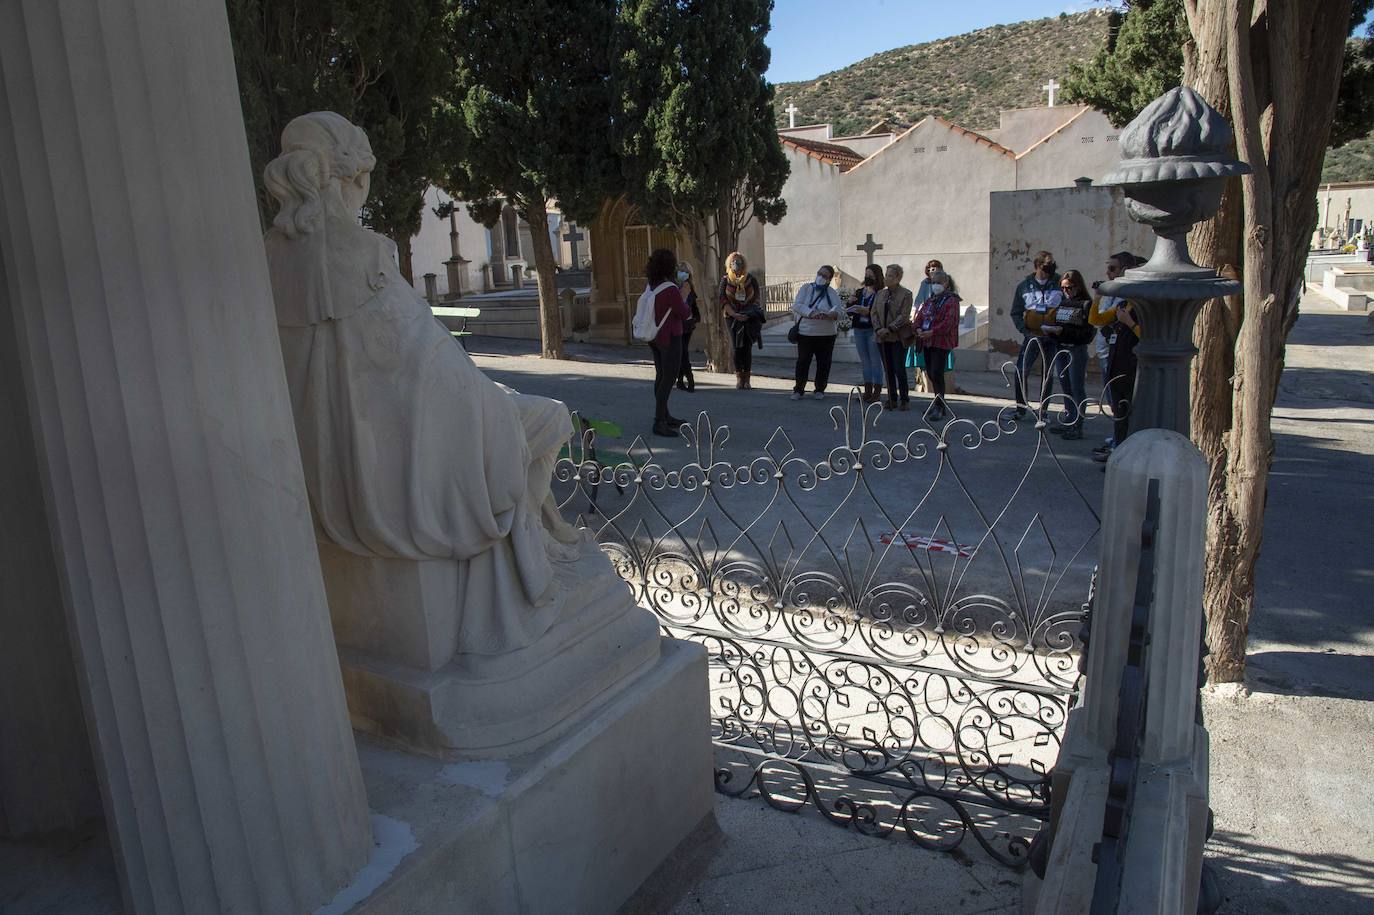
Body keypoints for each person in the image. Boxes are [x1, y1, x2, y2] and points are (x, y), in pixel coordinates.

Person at [1089, 251, 1139, 452]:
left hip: (1130, 364)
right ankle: (1118, 447)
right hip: (1114, 360)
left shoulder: (1140, 304)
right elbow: (1096, 320)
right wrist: (1097, 297)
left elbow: (1147, 335)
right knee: (1117, 408)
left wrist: (1130, 323)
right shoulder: (1122, 302)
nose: (1108, 272)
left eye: (1113, 268)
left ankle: (1123, 449)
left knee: (1126, 410)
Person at [644, 248, 692, 437]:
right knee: (668, 379)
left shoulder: (652, 285)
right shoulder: (671, 289)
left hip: (655, 337)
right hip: (671, 336)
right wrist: (685, 295)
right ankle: (659, 421)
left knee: (661, 376)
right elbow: (684, 313)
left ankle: (664, 415)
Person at [1042, 268, 1095, 439]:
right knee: (1065, 386)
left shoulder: (1086, 304)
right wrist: (1052, 331)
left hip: (1076, 349)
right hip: (1061, 348)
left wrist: (1062, 332)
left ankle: (1077, 425)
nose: (1066, 291)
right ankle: (1068, 420)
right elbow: (1061, 325)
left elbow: (1087, 333)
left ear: (1078, 286)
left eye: (1069, 288)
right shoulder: (1063, 303)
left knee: (1076, 387)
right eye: (1063, 288)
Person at [1009, 251, 1062, 418]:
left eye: (1053, 263)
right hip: (1032, 336)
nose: (1052, 266)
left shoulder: (1059, 282)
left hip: (1052, 337)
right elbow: (1016, 312)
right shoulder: (1024, 286)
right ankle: (1020, 408)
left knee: (1048, 374)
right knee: (1021, 371)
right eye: (1048, 263)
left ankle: (1043, 411)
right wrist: (1025, 331)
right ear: (1038, 265)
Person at [912, 268, 961, 421]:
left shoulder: (951, 300)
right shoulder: (930, 300)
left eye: (938, 283)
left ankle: (939, 406)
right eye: (933, 283)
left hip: (941, 342)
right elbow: (919, 317)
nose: (935, 285)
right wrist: (918, 328)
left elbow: (949, 322)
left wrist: (932, 332)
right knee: (931, 373)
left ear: (946, 284)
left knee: (937, 372)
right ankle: (938, 402)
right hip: (927, 341)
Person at [789, 264, 842, 400]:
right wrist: (811, 313)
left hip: (827, 334)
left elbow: (839, 310)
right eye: (820, 274)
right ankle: (799, 389)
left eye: (824, 276)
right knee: (803, 361)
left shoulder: (831, 292)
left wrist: (832, 314)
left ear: (829, 279)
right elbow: (798, 305)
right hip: (806, 333)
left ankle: (820, 389)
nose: (820, 277)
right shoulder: (806, 288)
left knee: (824, 362)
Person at [872, 264, 915, 410]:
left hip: (896, 337)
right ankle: (892, 398)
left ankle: (904, 399)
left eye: (890, 276)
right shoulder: (880, 294)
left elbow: (904, 315)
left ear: (898, 278)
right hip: (882, 337)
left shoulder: (906, 294)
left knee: (898, 367)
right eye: (886, 275)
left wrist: (889, 329)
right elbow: (874, 313)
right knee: (888, 368)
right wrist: (878, 328)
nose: (887, 278)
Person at [720, 251, 763, 389]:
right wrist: (734, 314)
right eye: (733, 261)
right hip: (732, 318)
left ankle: (747, 379)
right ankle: (739, 378)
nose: (736, 264)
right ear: (729, 264)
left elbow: (757, 298)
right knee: (736, 348)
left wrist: (748, 313)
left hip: (749, 317)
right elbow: (722, 299)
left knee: (747, 348)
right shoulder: (725, 280)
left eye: (739, 261)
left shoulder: (751, 279)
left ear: (743, 263)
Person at [847, 264, 885, 402]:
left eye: (871, 275)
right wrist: (850, 303)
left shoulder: (881, 293)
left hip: (872, 329)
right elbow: (850, 311)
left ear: (877, 277)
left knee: (875, 361)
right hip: (859, 329)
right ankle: (867, 391)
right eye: (866, 274)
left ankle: (877, 392)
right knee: (865, 361)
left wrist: (868, 311)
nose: (868, 277)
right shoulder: (859, 292)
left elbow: (881, 312)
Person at [675, 263, 699, 392]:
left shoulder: (687, 286)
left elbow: (687, 303)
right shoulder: (675, 286)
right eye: (680, 270)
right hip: (679, 322)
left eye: (685, 271)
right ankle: (680, 380)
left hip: (686, 323)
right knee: (681, 352)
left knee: (683, 352)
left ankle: (690, 380)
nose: (682, 273)